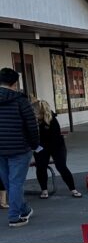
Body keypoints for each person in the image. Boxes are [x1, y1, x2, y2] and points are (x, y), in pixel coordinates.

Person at [0, 67, 39, 228]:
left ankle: (24, 209)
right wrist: (35, 144)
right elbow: (31, 124)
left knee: (9, 182)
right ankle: (14, 216)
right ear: (15, 83)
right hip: (19, 148)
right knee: (15, 182)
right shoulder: (21, 101)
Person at [32, 98, 82, 199]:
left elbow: (54, 137)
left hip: (56, 146)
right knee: (41, 167)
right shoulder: (34, 120)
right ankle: (44, 190)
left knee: (61, 166)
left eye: (34, 111)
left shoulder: (52, 120)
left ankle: (73, 189)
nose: (32, 112)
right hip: (42, 146)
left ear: (39, 111)